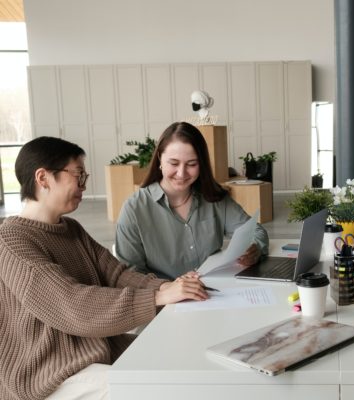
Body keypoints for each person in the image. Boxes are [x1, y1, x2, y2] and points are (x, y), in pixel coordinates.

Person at [0, 136, 208, 400]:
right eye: (77, 176)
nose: (83, 185)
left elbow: (117, 275)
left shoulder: (71, 230)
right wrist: (159, 297)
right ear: (43, 178)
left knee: (184, 359)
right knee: (159, 389)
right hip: (49, 371)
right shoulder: (11, 240)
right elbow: (71, 304)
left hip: (94, 351)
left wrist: (171, 287)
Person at [116, 122, 269, 280]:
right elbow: (130, 276)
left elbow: (256, 232)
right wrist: (168, 289)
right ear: (159, 159)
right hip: (166, 301)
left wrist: (254, 248)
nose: (181, 173)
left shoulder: (213, 198)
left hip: (216, 292)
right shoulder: (134, 209)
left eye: (192, 164)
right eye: (174, 163)